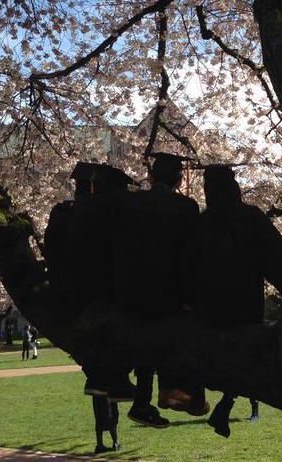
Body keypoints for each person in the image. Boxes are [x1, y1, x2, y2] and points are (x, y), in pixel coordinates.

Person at [193, 165, 282, 437]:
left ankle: (224, 402)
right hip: (244, 305)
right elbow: (275, 255)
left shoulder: (201, 223)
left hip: (207, 310)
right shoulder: (248, 218)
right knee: (249, 350)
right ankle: (227, 402)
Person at [112, 152, 207, 428]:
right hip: (170, 290)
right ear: (179, 180)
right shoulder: (186, 207)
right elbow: (191, 256)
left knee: (145, 344)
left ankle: (143, 401)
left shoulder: (130, 204)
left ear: (151, 177)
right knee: (175, 338)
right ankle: (178, 391)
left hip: (133, 290)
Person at [44, 162, 136, 403]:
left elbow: (51, 251)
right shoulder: (106, 211)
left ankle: (99, 377)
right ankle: (118, 380)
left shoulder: (63, 211)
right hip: (100, 288)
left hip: (65, 290)